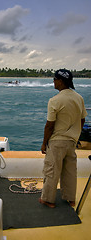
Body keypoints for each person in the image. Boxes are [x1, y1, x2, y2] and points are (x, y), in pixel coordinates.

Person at [39, 69, 87, 208]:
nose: (53, 81)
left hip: (57, 142)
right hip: (72, 141)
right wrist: (75, 135)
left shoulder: (54, 100)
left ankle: (48, 200)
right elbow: (82, 119)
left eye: (54, 79)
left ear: (60, 81)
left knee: (51, 170)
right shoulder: (79, 98)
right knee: (70, 171)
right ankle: (70, 199)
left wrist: (44, 144)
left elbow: (49, 125)